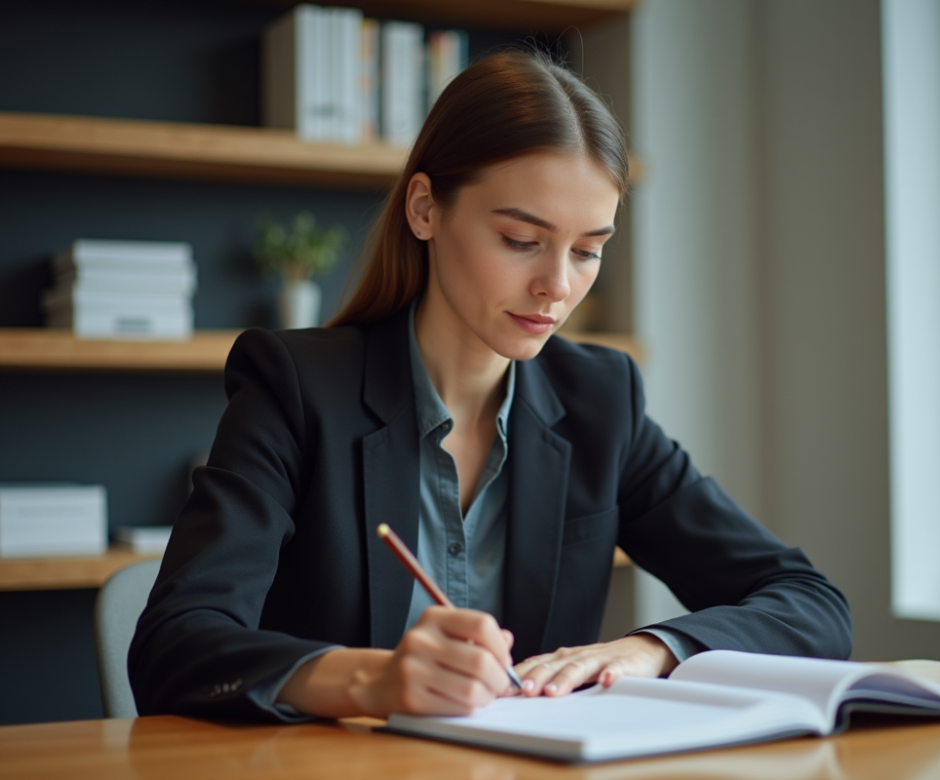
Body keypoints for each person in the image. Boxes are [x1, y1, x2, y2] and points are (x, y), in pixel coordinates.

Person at [128, 50, 852, 722]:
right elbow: (174, 646)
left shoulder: (601, 401)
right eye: (520, 240)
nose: (557, 286)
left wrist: (652, 650)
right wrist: (371, 681)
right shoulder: (297, 389)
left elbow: (811, 605)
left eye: (589, 251)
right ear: (424, 210)